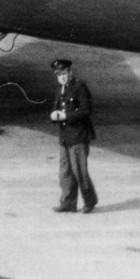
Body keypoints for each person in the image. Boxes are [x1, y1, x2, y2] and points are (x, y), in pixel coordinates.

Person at [49, 57, 98, 213]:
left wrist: (66, 116)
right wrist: (53, 115)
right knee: (65, 172)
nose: (62, 77)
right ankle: (68, 203)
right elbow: (56, 107)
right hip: (65, 136)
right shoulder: (59, 89)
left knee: (79, 171)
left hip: (79, 136)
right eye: (59, 74)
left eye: (64, 73)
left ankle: (90, 201)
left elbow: (86, 110)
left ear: (70, 72)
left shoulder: (79, 87)